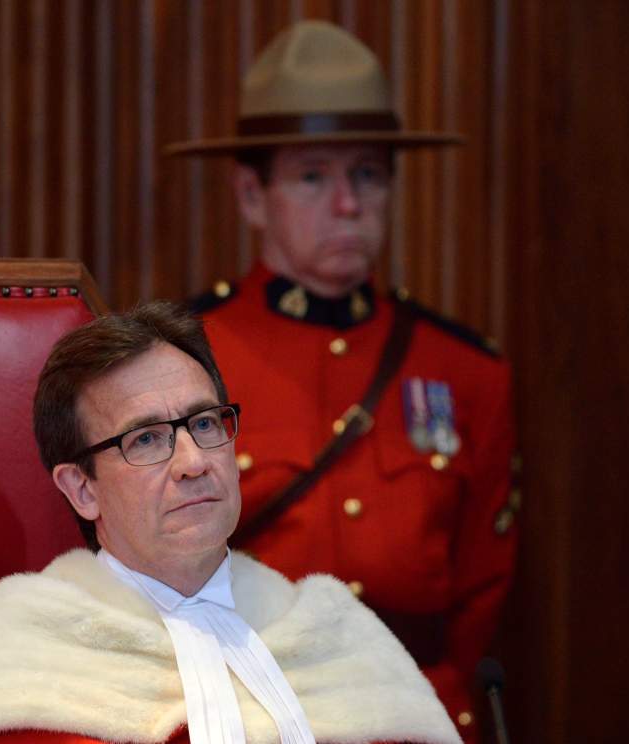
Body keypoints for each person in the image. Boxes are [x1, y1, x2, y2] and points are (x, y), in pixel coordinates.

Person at [165, 21, 518, 737]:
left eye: (367, 174)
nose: (349, 203)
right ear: (252, 196)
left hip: (412, 714)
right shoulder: (182, 359)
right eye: (313, 176)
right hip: (240, 712)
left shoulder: (463, 370)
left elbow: (483, 588)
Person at [0, 301, 460, 744]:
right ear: (83, 489)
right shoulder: (11, 673)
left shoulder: (336, 639)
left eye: (206, 424)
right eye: (146, 439)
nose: (194, 462)